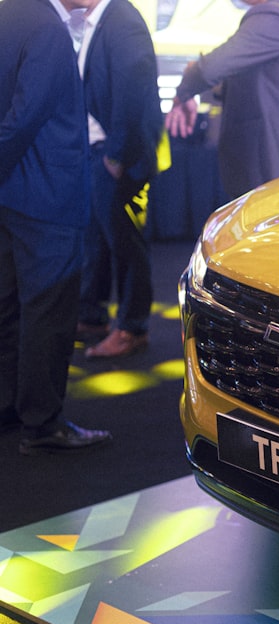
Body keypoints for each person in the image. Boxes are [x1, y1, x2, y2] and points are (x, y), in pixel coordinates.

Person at [0, 0, 111, 454]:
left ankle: (11, 406)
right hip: (46, 194)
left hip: (13, 194)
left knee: (10, 308)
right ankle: (43, 424)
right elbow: (26, 117)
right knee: (49, 312)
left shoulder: (10, 14)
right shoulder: (47, 29)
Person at [72, 0, 166, 359]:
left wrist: (116, 155)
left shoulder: (121, 18)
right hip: (102, 152)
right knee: (98, 239)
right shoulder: (101, 19)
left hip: (120, 157)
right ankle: (92, 316)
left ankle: (132, 328)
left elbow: (132, 91)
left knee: (126, 244)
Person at [165, 0, 279, 199]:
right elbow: (271, 82)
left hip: (270, 162)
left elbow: (209, 68)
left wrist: (185, 90)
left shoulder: (274, 16)